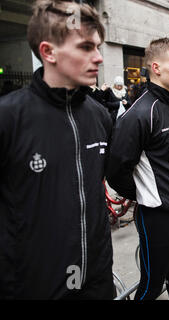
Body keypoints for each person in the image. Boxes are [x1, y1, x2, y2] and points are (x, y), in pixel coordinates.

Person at [0, 0, 114, 299]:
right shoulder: (9, 117)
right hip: (33, 286)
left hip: (97, 281)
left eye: (99, 47)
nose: (99, 58)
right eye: (86, 47)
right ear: (48, 52)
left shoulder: (99, 114)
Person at [106, 38, 169, 300]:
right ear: (156, 67)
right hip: (157, 217)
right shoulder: (138, 114)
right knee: (152, 284)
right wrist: (145, 194)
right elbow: (116, 172)